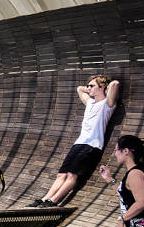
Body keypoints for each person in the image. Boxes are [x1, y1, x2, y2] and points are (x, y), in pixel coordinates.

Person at [32, 75, 120, 207]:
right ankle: (45, 198)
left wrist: (105, 88)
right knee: (61, 174)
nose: (88, 88)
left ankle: (54, 201)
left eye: (92, 86)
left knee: (72, 175)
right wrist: (92, 88)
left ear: (102, 87)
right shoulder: (90, 102)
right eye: (88, 85)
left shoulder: (107, 105)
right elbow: (79, 89)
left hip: (92, 145)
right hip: (78, 143)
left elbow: (115, 84)